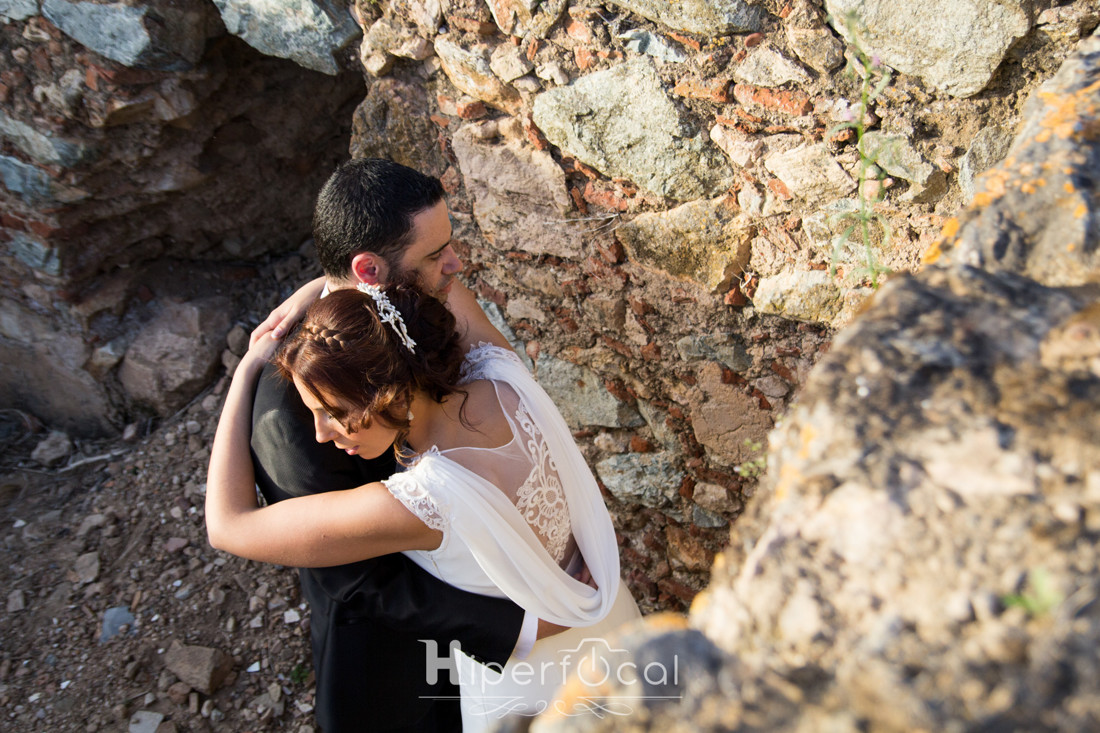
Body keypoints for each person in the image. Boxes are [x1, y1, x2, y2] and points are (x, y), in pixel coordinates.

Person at [207, 283, 641, 730]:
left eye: (334, 412)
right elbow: (436, 280)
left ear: (390, 396)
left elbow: (227, 526)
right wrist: (322, 291)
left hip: (536, 690)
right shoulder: (502, 370)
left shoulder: (422, 501)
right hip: (613, 627)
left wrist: (244, 376)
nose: (321, 434)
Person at [245, 158, 536, 732]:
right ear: (369, 269)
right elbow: (354, 579)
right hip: (397, 651)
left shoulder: (416, 313)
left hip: (486, 591)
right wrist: (511, 626)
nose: (455, 264)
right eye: (434, 255)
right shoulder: (288, 411)